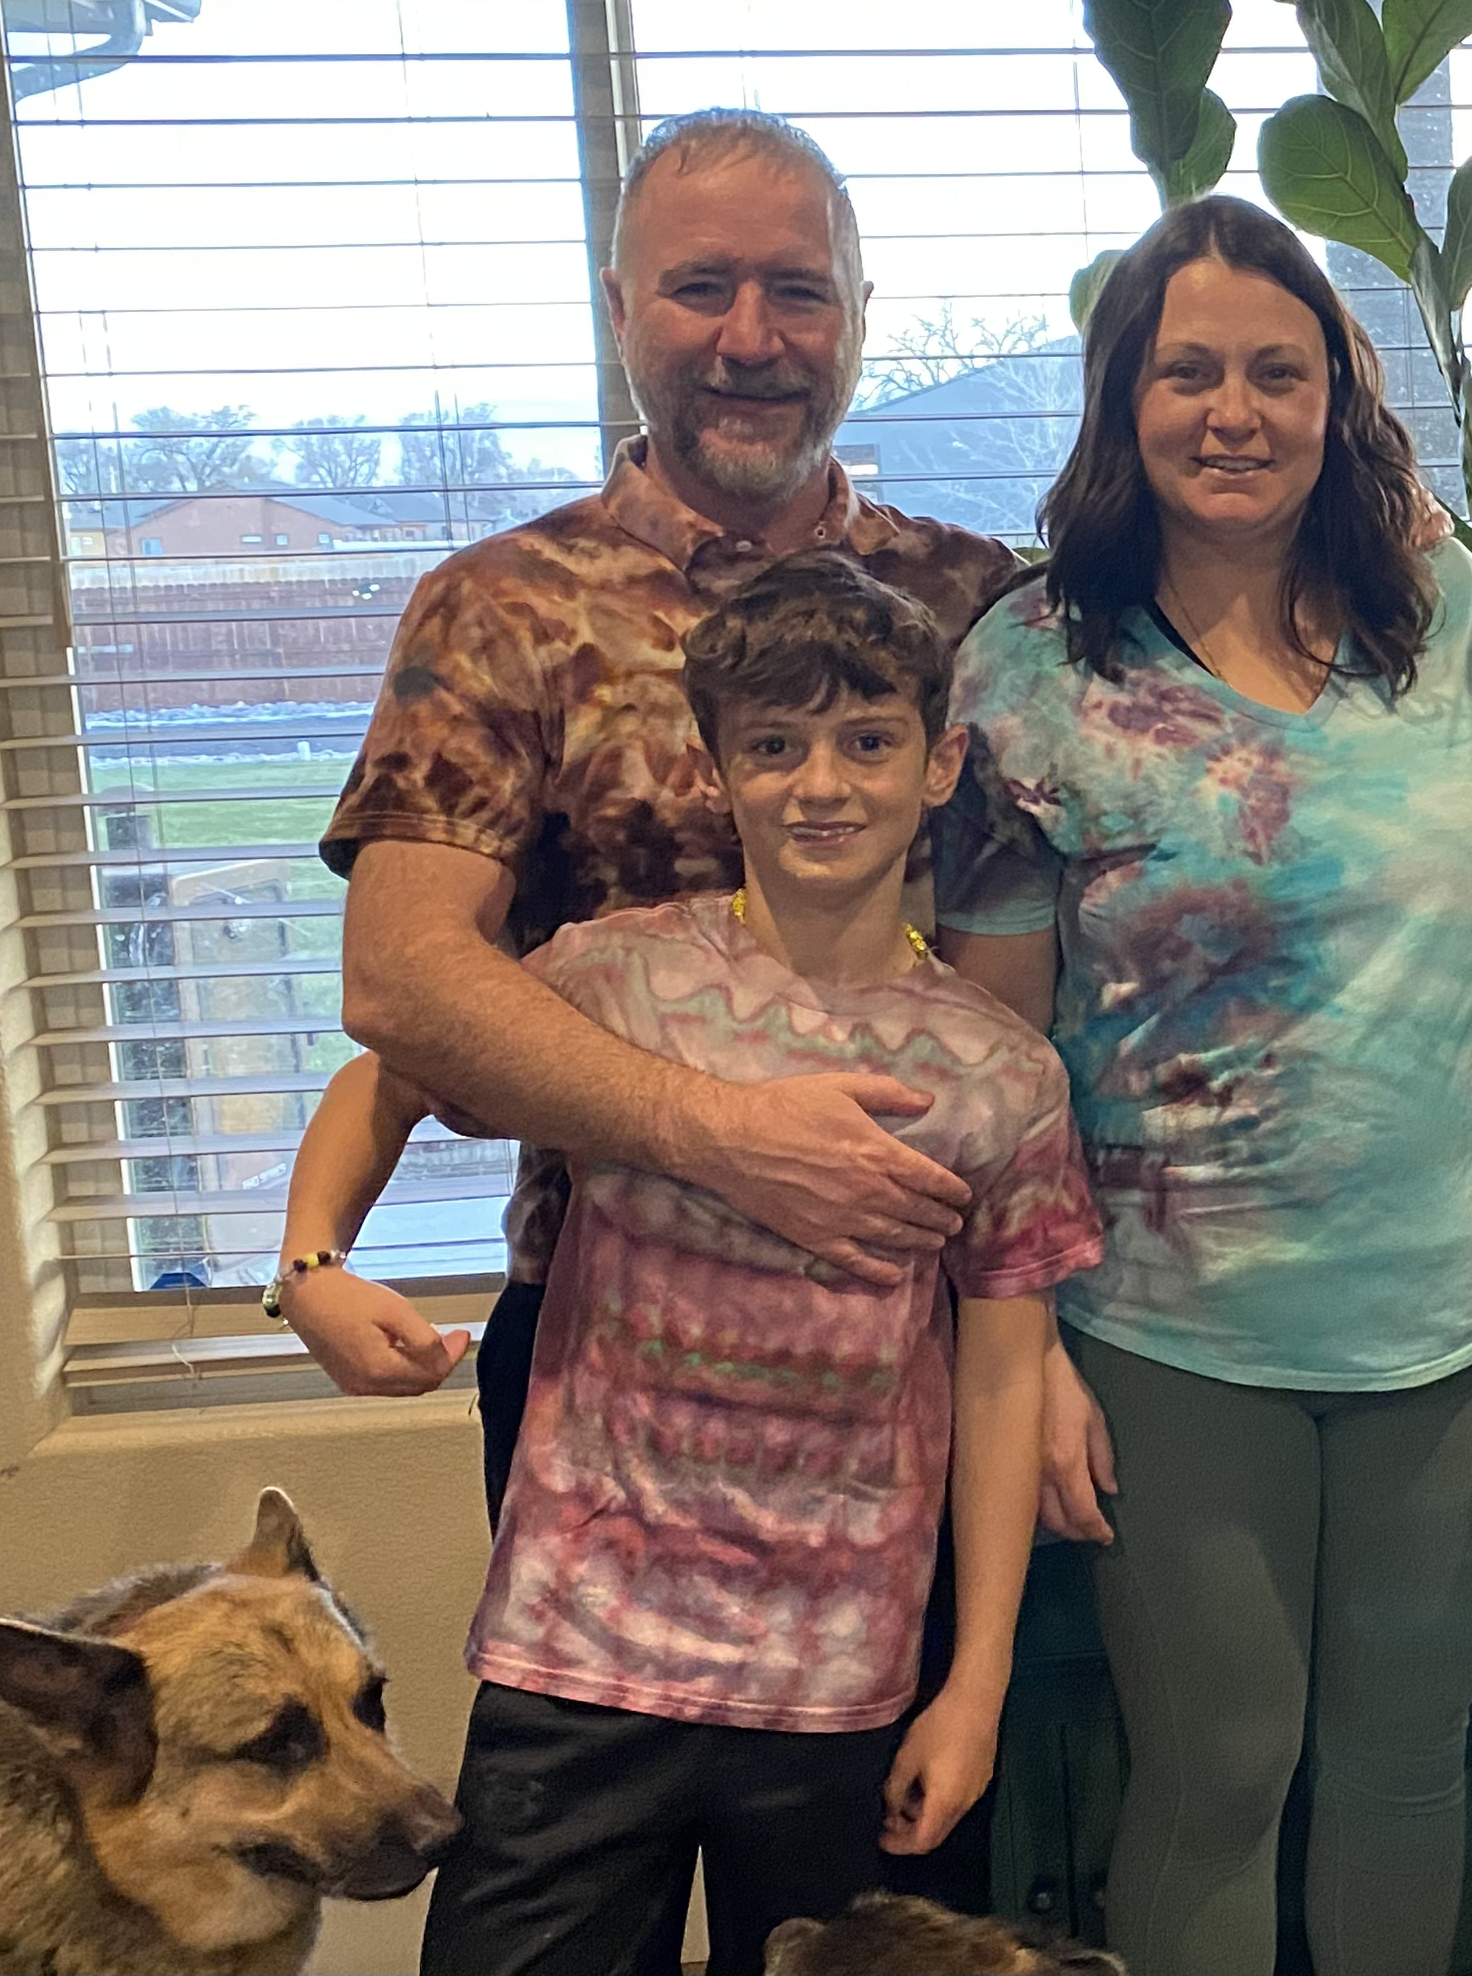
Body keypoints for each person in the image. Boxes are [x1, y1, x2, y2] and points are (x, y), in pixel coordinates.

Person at [297, 106, 1027, 1946]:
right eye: (700, 287)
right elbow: (403, 983)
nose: (750, 336)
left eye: (796, 289)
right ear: (621, 302)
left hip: (901, 1376)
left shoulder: (981, 607)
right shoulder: (505, 610)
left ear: (862, 309)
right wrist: (721, 1131)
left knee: (869, 1932)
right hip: (607, 1387)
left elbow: (1046, 967)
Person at [289, 554, 1100, 1976]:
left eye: (867, 741)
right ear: (718, 769)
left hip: (844, 1673)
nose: (821, 784)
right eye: (774, 747)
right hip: (582, 1647)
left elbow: (1004, 1363)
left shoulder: (999, 1068)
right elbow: (399, 1063)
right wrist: (315, 1260)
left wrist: (973, 1681)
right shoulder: (618, 978)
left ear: (941, 761)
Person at [929, 194, 1472, 1976]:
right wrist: (1022, 1361)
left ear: (1337, 400)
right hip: (1175, 1336)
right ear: (1121, 399)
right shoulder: (1033, 665)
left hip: (1447, 1318)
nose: (1233, 411)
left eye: (1279, 372)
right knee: (1218, 1767)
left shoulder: (1448, 621)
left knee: (1407, 1768)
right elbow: (993, 1064)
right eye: (1186, 371)